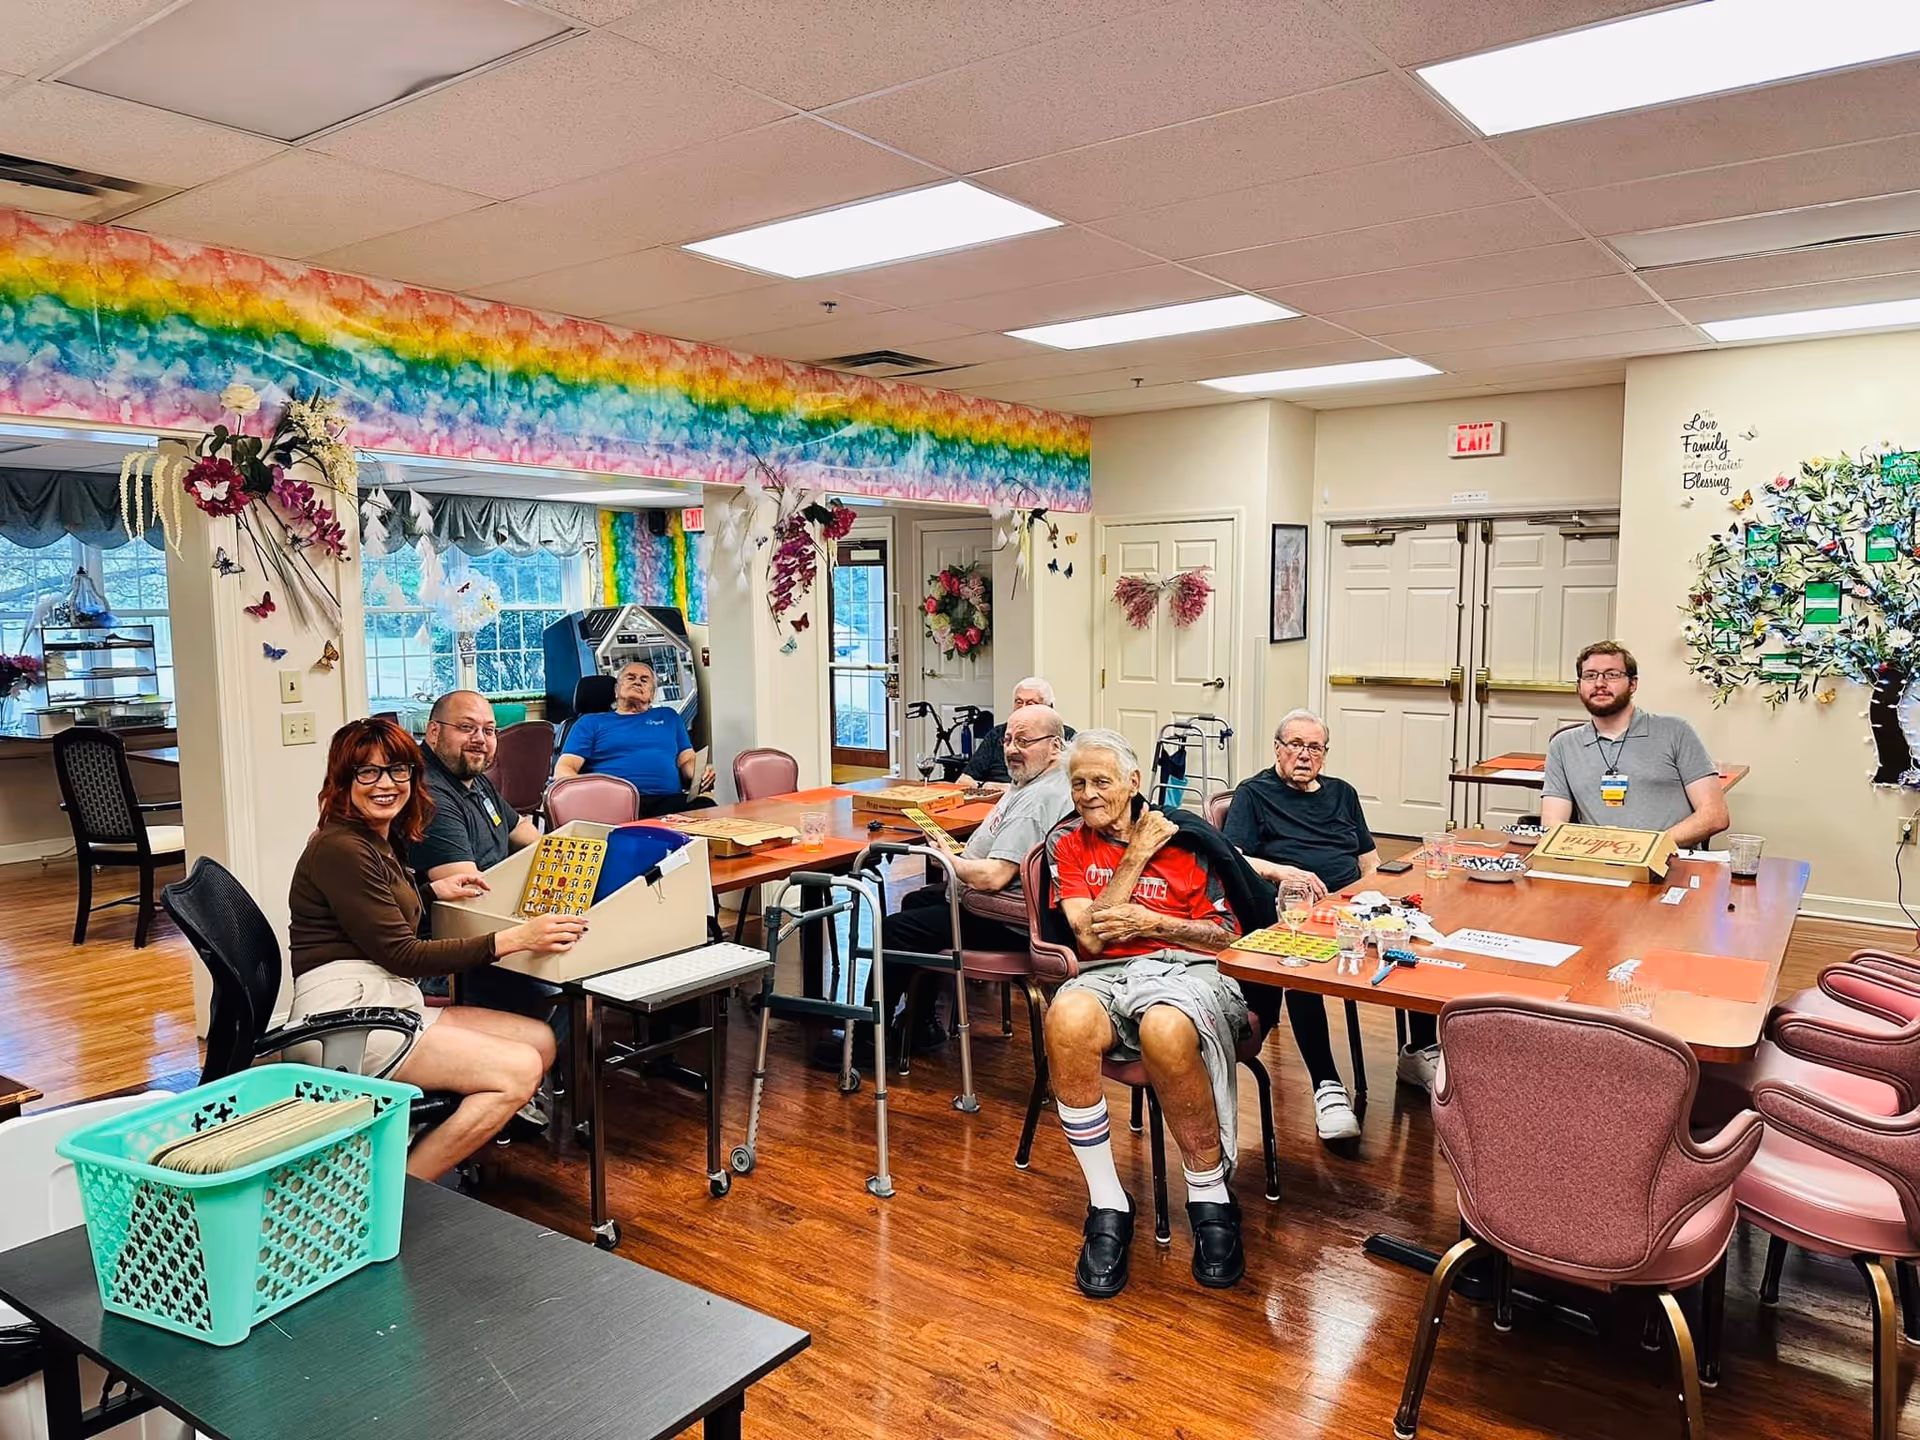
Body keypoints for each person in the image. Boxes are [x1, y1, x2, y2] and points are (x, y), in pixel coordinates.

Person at [287, 717, 584, 1180]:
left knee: (540, 1039)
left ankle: (404, 1158)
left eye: (398, 771)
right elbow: (403, 954)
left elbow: (373, 916)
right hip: (346, 1020)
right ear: (342, 781)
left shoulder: (373, 839)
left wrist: (430, 893)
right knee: (520, 1068)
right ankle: (398, 1194)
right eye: (367, 772)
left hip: (384, 1000)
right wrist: (514, 939)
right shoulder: (341, 847)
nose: (386, 784)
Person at [1044, 729, 1253, 1299]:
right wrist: (1136, 855)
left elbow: (1228, 935)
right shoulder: (1069, 844)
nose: (1087, 794)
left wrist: (1154, 924)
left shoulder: (1188, 841)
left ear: (1135, 783)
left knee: (1165, 1025)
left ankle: (1209, 1194)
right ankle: (1108, 1202)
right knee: (1065, 1017)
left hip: (1193, 968)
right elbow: (1088, 939)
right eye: (1078, 783)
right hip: (1108, 975)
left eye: (1101, 781)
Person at [1221, 709, 1396, 1132]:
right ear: (1278, 749)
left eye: (1314, 747)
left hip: (1352, 905)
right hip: (1296, 909)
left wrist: (1384, 904)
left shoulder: (1342, 793)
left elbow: (1368, 858)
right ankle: (1327, 1086)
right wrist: (1284, 873)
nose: (1304, 755)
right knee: (1299, 966)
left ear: (1325, 754)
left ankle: (1418, 1051)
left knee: (1414, 944)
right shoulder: (1254, 793)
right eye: (1295, 745)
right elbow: (1233, 857)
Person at [874, 704, 1075, 1055]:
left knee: (895, 930)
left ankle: (870, 1037)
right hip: (1021, 907)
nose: (1012, 748)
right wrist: (964, 851)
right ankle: (920, 1023)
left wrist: (949, 860)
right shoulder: (1039, 779)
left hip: (1008, 919)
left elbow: (994, 875)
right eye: (1009, 739)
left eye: (1024, 741)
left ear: (1055, 746)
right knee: (916, 901)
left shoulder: (1039, 798)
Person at [414, 689, 565, 1121]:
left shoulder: (474, 781)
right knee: (565, 986)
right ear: (434, 731)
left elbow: (534, 841)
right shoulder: (433, 797)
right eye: (467, 728)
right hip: (452, 955)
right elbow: (470, 896)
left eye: (489, 730)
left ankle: (528, 1082)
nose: (480, 739)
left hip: (499, 926)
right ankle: (510, 1089)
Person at [1541, 641, 1729, 846]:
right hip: (1598, 864)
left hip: (1668, 860)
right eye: (1590, 675)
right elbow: (1552, 823)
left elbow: (1714, 815)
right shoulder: (1563, 745)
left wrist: (1647, 849)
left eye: (1612, 675)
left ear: (1633, 684)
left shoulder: (1675, 731)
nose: (1599, 683)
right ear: (1579, 686)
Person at [554, 660, 716, 818]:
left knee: (708, 808)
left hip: (668, 801)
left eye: (644, 680)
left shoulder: (669, 717)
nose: (637, 682)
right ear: (617, 691)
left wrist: (701, 772)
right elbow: (563, 769)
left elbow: (686, 761)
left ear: (652, 695)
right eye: (630, 678)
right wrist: (592, 795)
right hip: (613, 804)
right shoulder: (590, 722)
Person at [962, 676, 1077, 785]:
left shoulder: (1066, 736)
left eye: (1031, 703)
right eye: (1019, 702)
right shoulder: (998, 734)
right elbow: (964, 780)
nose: (1023, 709)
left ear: (1049, 707)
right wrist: (988, 787)